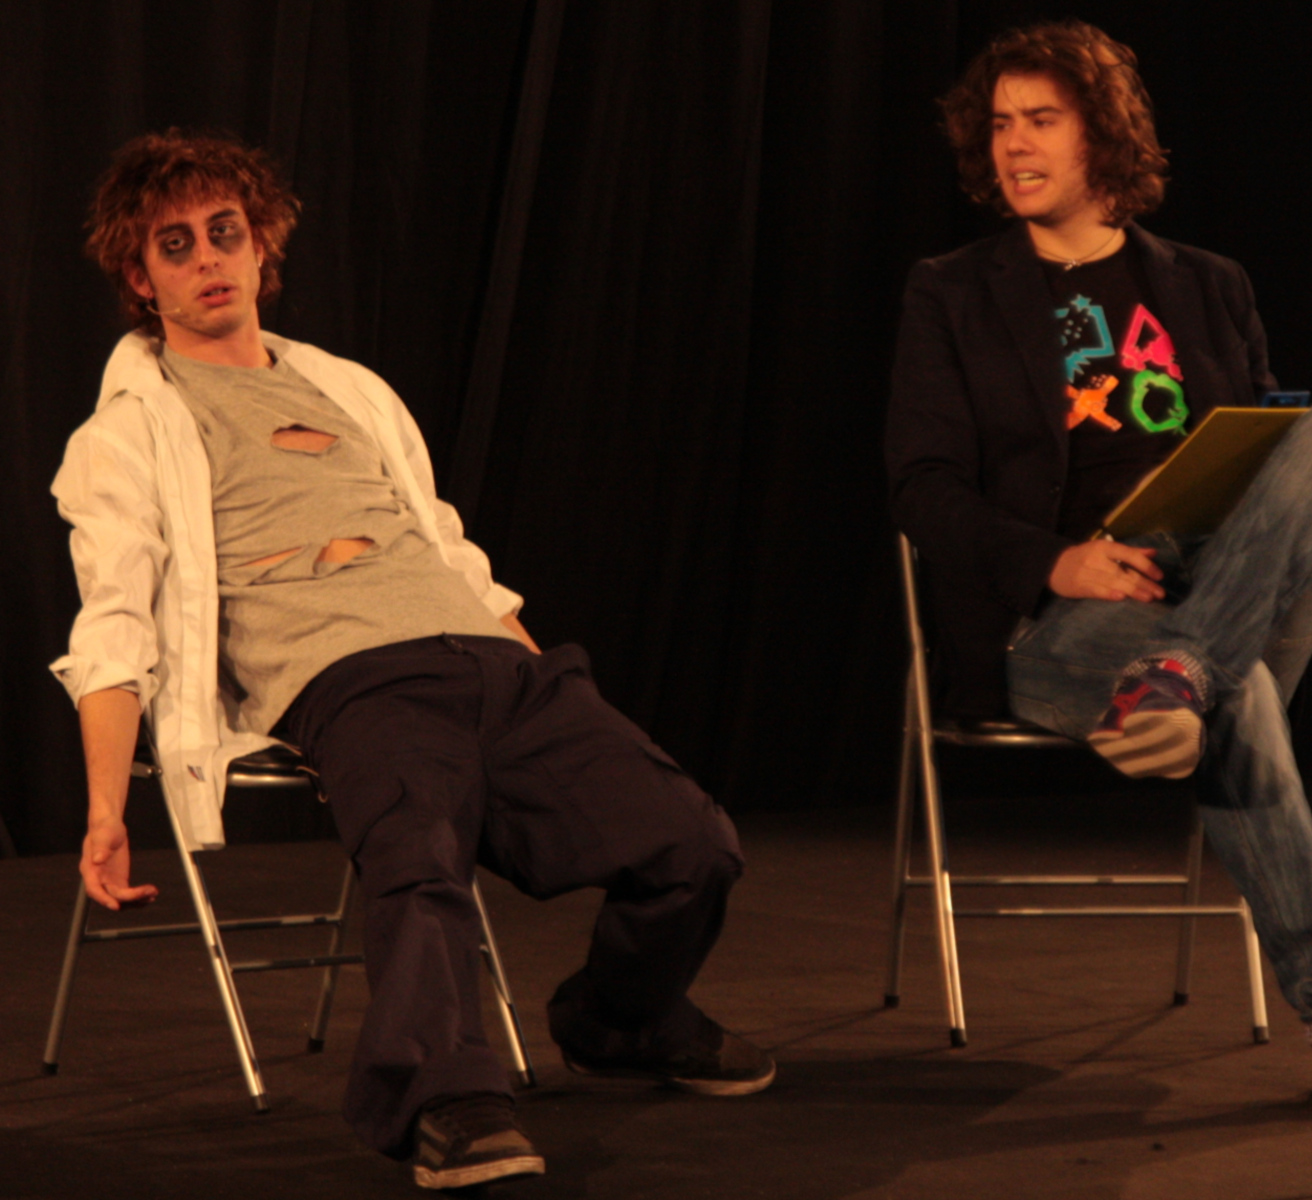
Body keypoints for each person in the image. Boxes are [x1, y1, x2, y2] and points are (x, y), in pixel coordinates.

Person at [51, 130, 774, 1190]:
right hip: (350, 678)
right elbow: (113, 622)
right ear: (139, 276)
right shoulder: (125, 435)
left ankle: (621, 1020)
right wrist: (107, 809)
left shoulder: (351, 388)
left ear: (261, 246)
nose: (208, 259)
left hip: (485, 658)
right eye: (176, 244)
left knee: (693, 841)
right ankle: (444, 1098)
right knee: (418, 857)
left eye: (225, 233)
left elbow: (447, 547)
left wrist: (551, 682)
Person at [886, 21, 1312, 1115]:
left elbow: (1261, 468)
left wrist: (1215, 537)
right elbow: (920, 487)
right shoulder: (953, 292)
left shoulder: (1207, 284)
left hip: (1215, 598)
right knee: (1232, 692)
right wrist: (1059, 563)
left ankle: (1182, 671)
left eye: (1042, 121)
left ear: (1102, 136)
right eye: (1001, 124)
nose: (1014, 145)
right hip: (1055, 631)